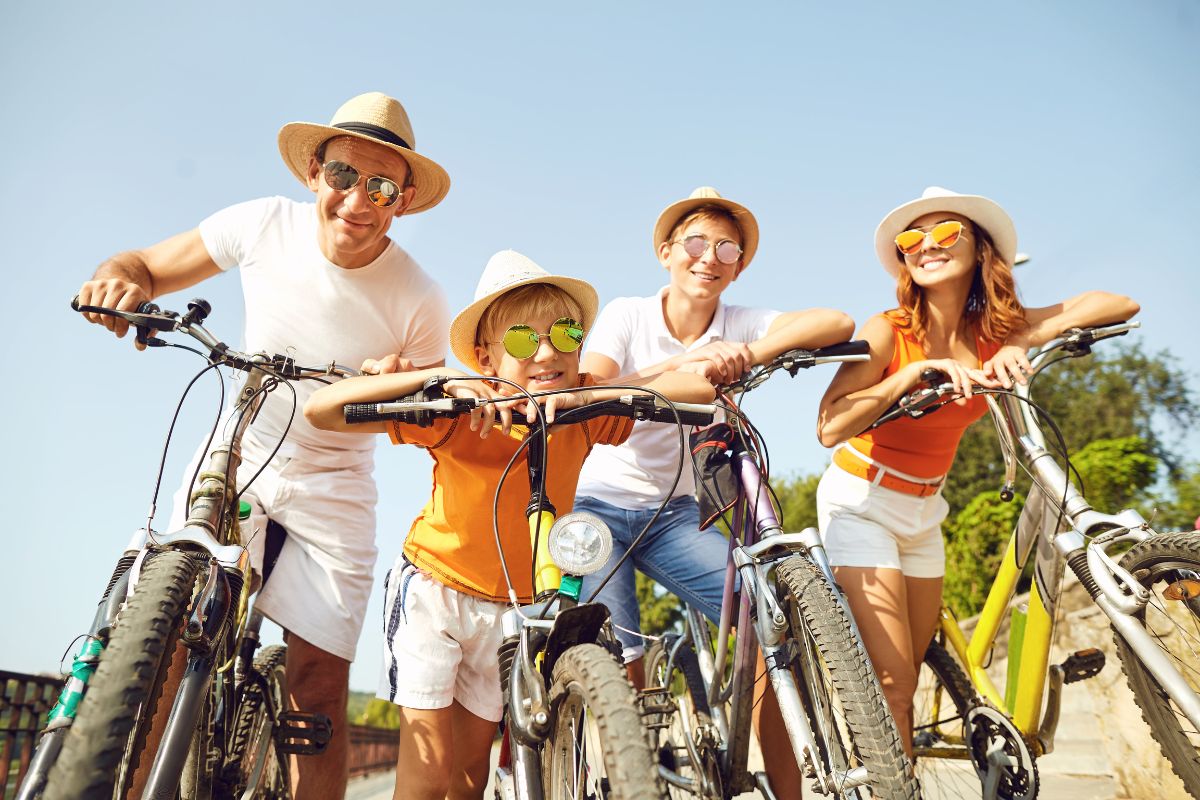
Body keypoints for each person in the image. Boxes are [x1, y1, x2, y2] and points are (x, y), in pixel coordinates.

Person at [74, 91, 452, 798]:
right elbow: (146, 264)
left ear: (401, 201)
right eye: (344, 176)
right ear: (315, 171)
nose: (357, 201)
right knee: (159, 639)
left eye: (380, 187)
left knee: (317, 685)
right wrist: (119, 280)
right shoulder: (260, 223)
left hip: (336, 481)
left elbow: (425, 423)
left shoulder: (421, 298)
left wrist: (404, 388)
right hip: (237, 447)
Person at [305, 249, 715, 800]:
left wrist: (592, 395)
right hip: (436, 592)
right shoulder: (459, 413)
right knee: (428, 773)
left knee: (471, 775)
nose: (547, 353)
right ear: (486, 357)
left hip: (510, 612)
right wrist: (443, 381)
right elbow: (324, 409)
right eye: (523, 341)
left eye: (566, 335)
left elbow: (699, 391)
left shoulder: (583, 409)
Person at [815, 186, 1140, 755]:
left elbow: (1118, 303)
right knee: (891, 684)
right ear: (902, 258)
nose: (927, 246)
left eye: (945, 234)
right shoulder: (889, 329)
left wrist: (1017, 343)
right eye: (912, 238)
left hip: (925, 510)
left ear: (980, 249)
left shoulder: (994, 332)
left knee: (911, 676)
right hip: (861, 501)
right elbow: (828, 424)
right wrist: (907, 378)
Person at [572, 186, 856, 795]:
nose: (710, 256)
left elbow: (837, 322)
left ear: (740, 265)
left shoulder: (738, 323)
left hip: (675, 515)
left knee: (765, 620)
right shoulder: (628, 313)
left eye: (727, 248)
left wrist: (744, 354)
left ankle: (787, 787)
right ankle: (627, 775)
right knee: (617, 663)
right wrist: (688, 375)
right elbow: (592, 387)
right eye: (696, 243)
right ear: (667, 252)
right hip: (598, 501)